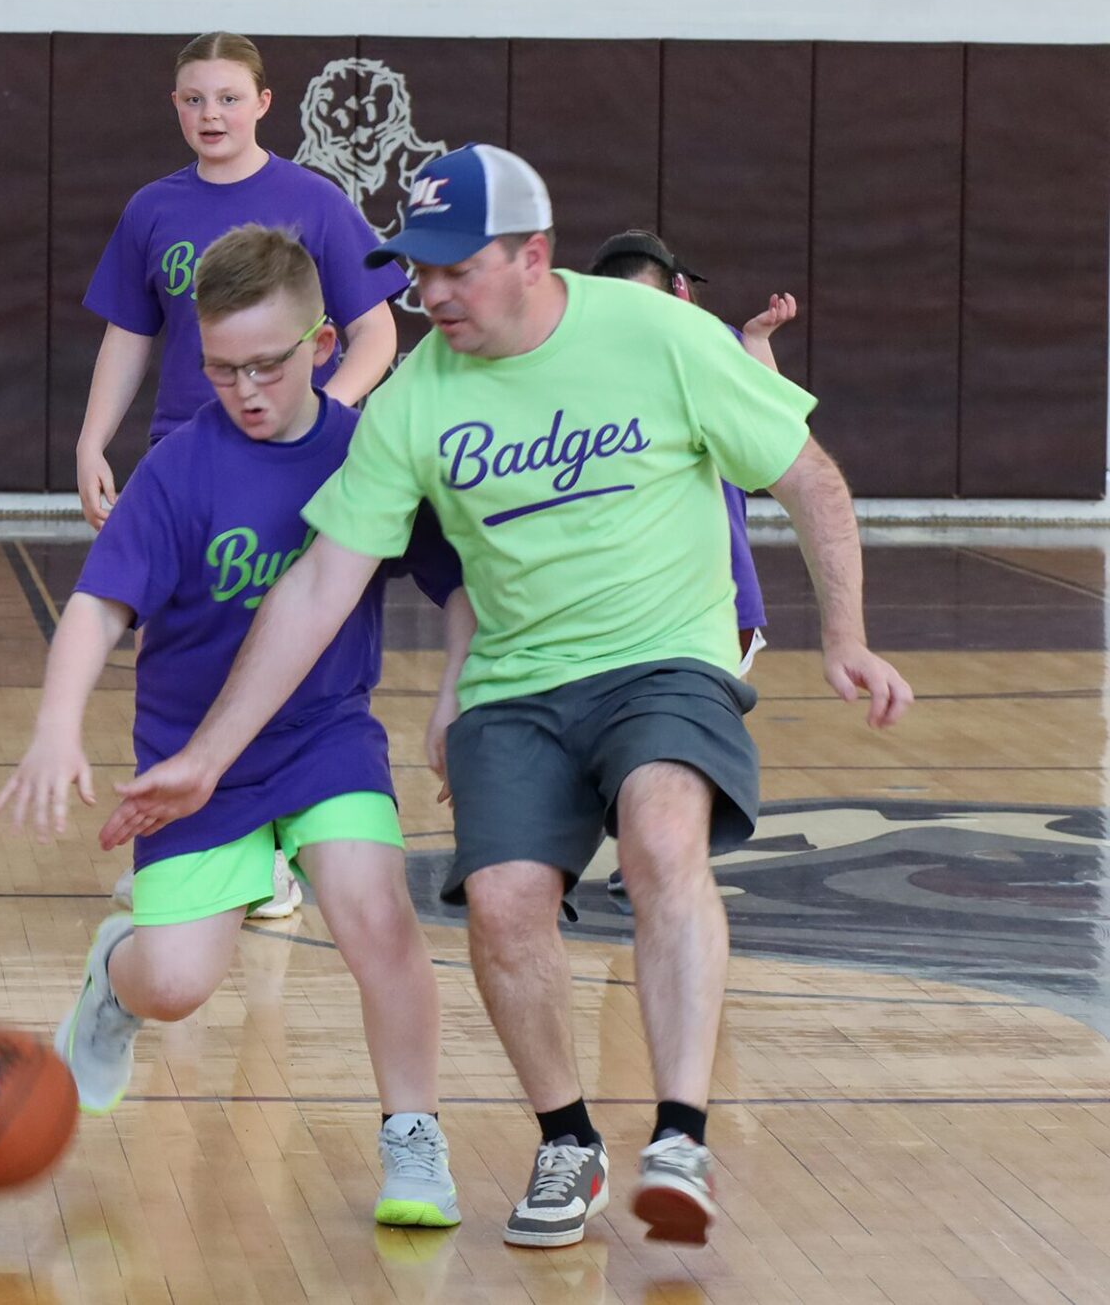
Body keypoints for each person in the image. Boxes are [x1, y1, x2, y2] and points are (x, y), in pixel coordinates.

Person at [98, 144, 914, 1248]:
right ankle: (567, 1137)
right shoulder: (412, 402)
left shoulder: (663, 337)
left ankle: (678, 1131)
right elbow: (319, 586)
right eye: (415, 272)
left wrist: (848, 635)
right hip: (517, 681)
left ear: (533, 255)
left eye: (453, 270)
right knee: (503, 904)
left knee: (664, 834)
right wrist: (205, 754)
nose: (428, 296)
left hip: (663, 655)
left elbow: (807, 475)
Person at [0, 225, 462, 1228]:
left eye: (267, 365)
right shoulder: (179, 468)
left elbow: (459, 580)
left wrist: (458, 686)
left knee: (379, 917)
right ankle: (113, 984)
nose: (245, 389)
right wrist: (55, 725)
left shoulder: (367, 454)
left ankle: (414, 1134)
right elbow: (98, 605)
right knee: (175, 987)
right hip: (187, 763)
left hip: (325, 741)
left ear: (326, 346)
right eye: (220, 368)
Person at [78, 31, 409, 917]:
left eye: (227, 97)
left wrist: (317, 419)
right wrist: (90, 439)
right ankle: (178, 831)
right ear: (175, 107)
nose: (209, 114)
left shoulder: (314, 201)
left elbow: (377, 331)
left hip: (294, 464)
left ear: (265, 102)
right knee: (171, 646)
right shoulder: (153, 208)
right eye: (192, 99)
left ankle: (274, 851)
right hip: (185, 463)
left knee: (288, 637)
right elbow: (128, 332)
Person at [590, 229, 799, 898]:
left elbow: (777, 426)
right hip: (618, 592)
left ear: (678, 296)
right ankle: (650, 839)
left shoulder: (711, 353)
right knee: (631, 724)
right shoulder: (584, 370)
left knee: (684, 728)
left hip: (717, 592)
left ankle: (665, 847)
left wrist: (757, 343)